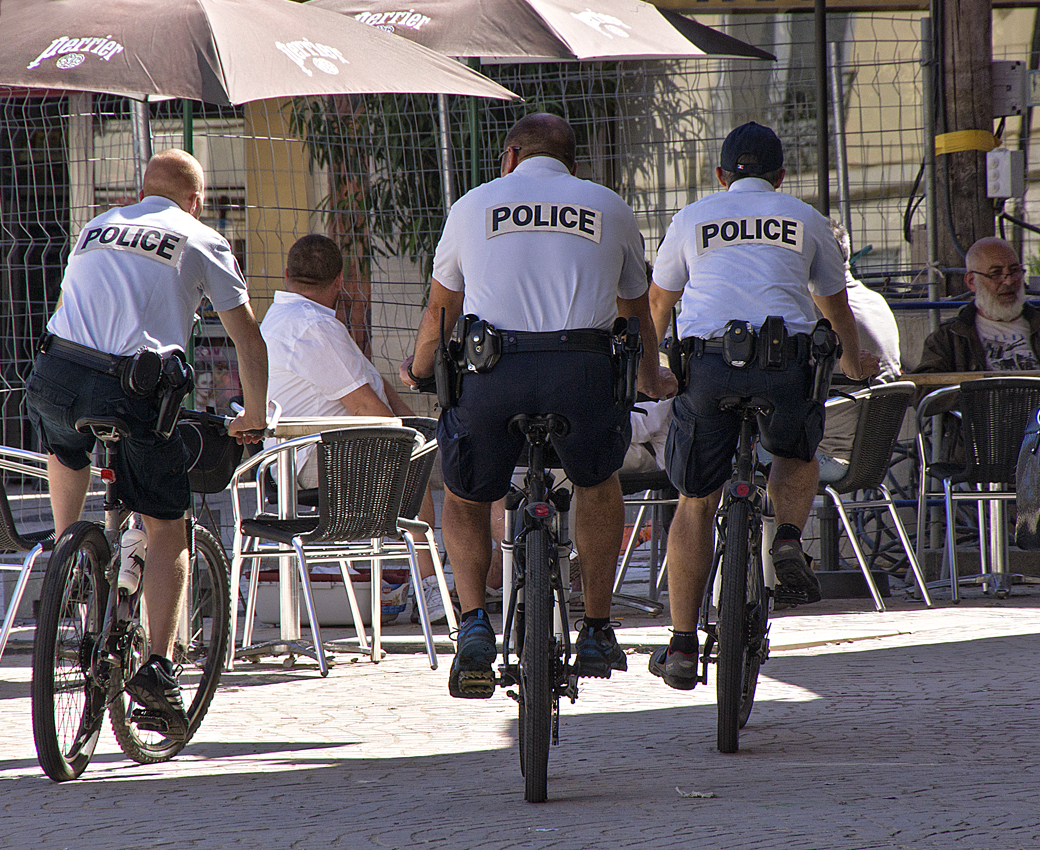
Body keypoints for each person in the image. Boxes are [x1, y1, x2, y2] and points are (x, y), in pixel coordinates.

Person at [400, 113, 676, 698]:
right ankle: (598, 627)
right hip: (583, 373)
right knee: (598, 482)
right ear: (572, 166)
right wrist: (652, 377)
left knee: (467, 493)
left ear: (510, 157)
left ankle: (474, 626)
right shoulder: (607, 206)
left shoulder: (474, 205)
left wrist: (421, 368)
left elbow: (440, 309)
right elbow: (635, 312)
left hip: (493, 372)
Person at [26, 149, 269, 740]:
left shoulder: (94, 226)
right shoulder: (201, 237)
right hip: (132, 392)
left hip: (54, 376)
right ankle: (158, 669)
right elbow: (247, 337)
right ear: (197, 198)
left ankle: (69, 558)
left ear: (141, 192)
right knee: (166, 526)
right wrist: (255, 415)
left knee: (67, 447)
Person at [647, 122, 878, 691]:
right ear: (780, 177)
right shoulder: (805, 219)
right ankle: (790, 540)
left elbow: (658, 299)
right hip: (784, 366)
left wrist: (650, 368)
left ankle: (680, 643)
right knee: (795, 453)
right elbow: (834, 304)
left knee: (695, 500)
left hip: (707, 365)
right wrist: (852, 358)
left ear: (722, 176)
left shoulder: (692, 218)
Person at [259, 233, 448, 624]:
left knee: (414, 450)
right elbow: (366, 406)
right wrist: (412, 440)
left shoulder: (287, 317)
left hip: (302, 454)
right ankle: (431, 587)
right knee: (413, 467)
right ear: (340, 280)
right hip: (312, 460)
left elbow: (368, 384)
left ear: (286, 273)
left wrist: (413, 425)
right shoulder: (312, 326)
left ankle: (422, 581)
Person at [814, 220, 902, 482]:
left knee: (730, 453)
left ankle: (768, 524)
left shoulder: (815, 311)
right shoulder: (876, 301)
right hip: (870, 458)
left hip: (826, 456)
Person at [913, 237, 1040, 375]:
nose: (1008, 281)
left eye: (1015, 271)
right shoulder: (947, 339)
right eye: (996, 273)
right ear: (972, 281)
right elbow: (927, 390)